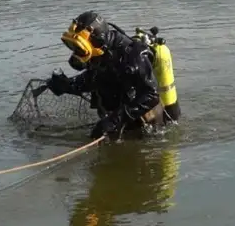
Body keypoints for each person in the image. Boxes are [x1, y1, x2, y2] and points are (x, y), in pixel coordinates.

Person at [46, 10, 166, 140]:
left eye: (78, 48)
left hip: (145, 122)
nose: (76, 53)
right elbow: (95, 78)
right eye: (73, 47)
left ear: (98, 41)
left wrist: (115, 119)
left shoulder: (133, 56)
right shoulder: (99, 52)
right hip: (115, 113)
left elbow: (152, 96)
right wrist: (68, 85)